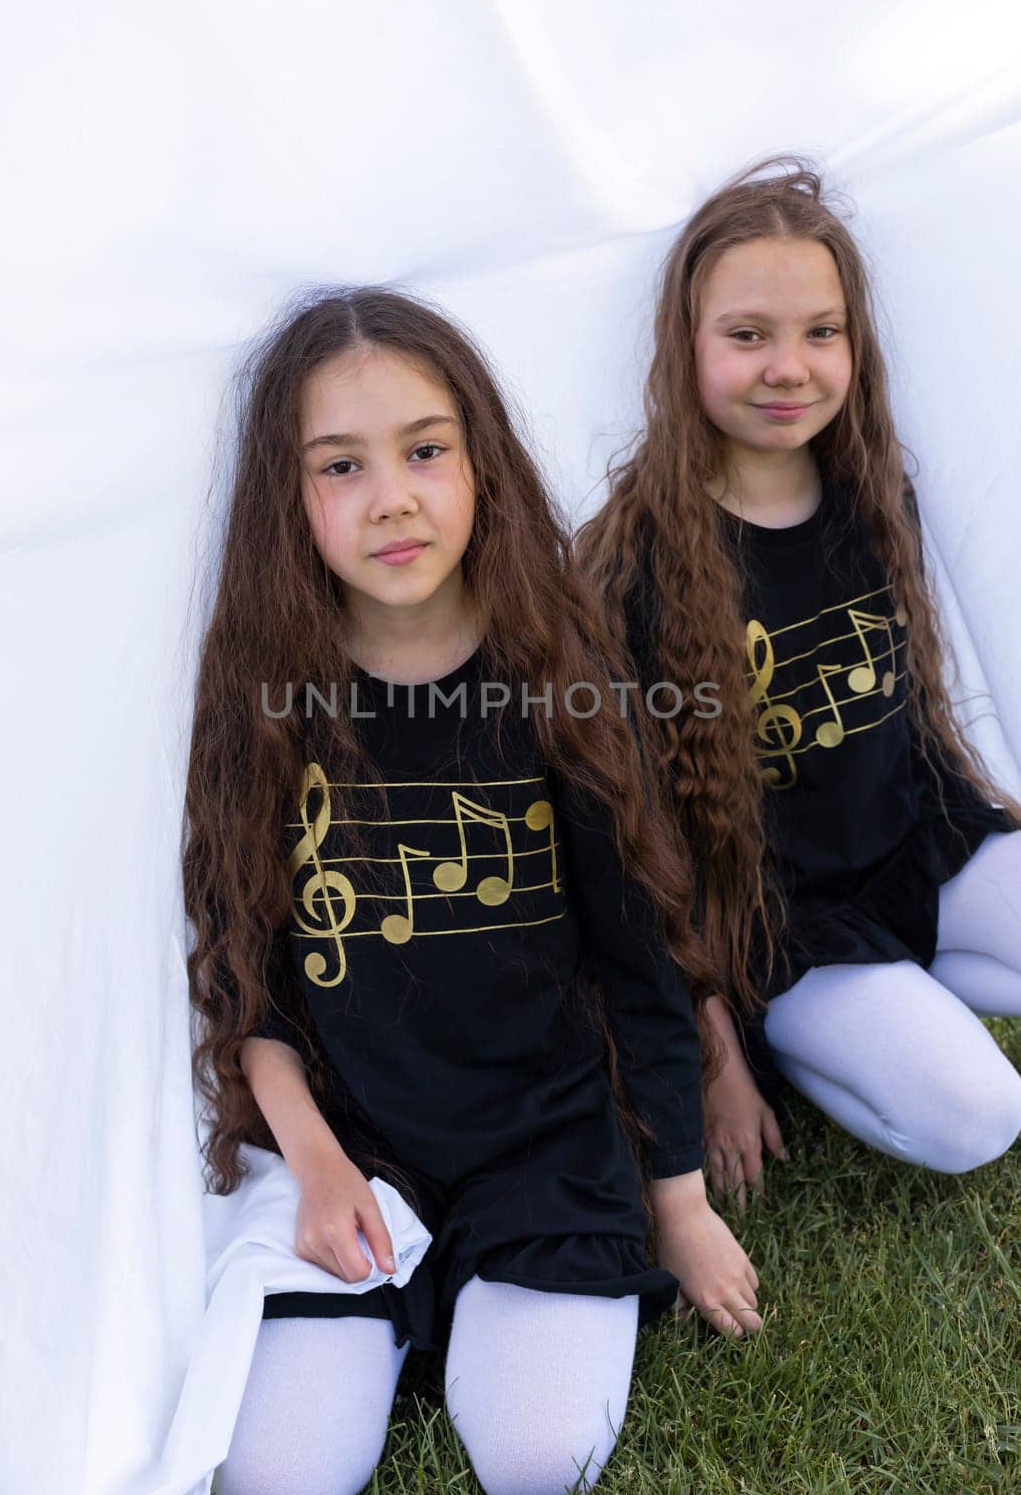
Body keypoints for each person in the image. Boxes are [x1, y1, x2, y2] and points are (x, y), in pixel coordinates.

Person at [183, 287, 761, 1495]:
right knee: (278, 1473)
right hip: (353, 1142)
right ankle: (376, 1316)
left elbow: (635, 963)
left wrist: (680, 1205)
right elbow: (250, 982)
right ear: (285, 501)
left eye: (424, 451)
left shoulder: (562, 680)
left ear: (480, 464)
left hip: (540, 1140)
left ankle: (476, 1300)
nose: (391, 495)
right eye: (340, 465)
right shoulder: (264, 700)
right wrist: (319, 1164)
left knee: (535, 1451)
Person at [575, 155, 1021, 1211]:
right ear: (683, 346)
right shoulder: (627, 564)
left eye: (819, 332)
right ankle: (822, 1035)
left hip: (914, 851)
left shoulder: (872, 487)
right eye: (746, 335)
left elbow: (906, 718)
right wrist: (713, 1051)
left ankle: (904, 995)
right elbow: (631, 842)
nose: (789, 366)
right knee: (976, 1115)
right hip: (779, 928)